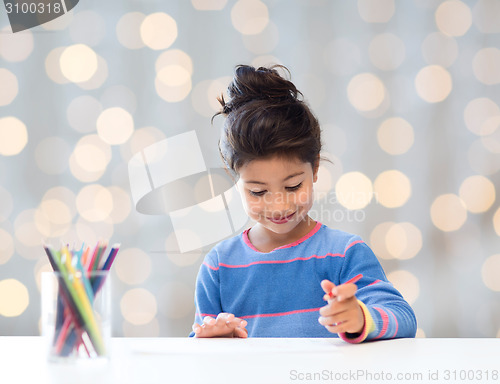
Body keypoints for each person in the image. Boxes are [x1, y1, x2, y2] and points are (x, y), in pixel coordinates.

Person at [190, 64, 417, 342]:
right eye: (258, 192)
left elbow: (402, 317)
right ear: (235, 178)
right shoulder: (219, 267)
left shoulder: (344, 254)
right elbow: (198, 349)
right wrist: (215, 343)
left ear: (316, 167)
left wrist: (359, 318)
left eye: (293, 186)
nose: (279, 206)